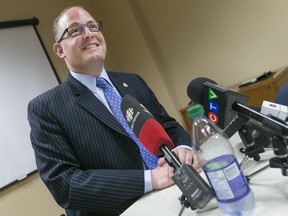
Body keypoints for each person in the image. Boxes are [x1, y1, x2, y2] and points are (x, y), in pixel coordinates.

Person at [27, 5, 200, 216]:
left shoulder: (133, 81)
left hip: (179, 192)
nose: (88, 33)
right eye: (75, 30)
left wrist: (184, 148)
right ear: (60, 50)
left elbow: (167, 125)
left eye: (92, 26)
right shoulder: (45, 108)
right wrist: (150, 180)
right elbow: (65, 183)